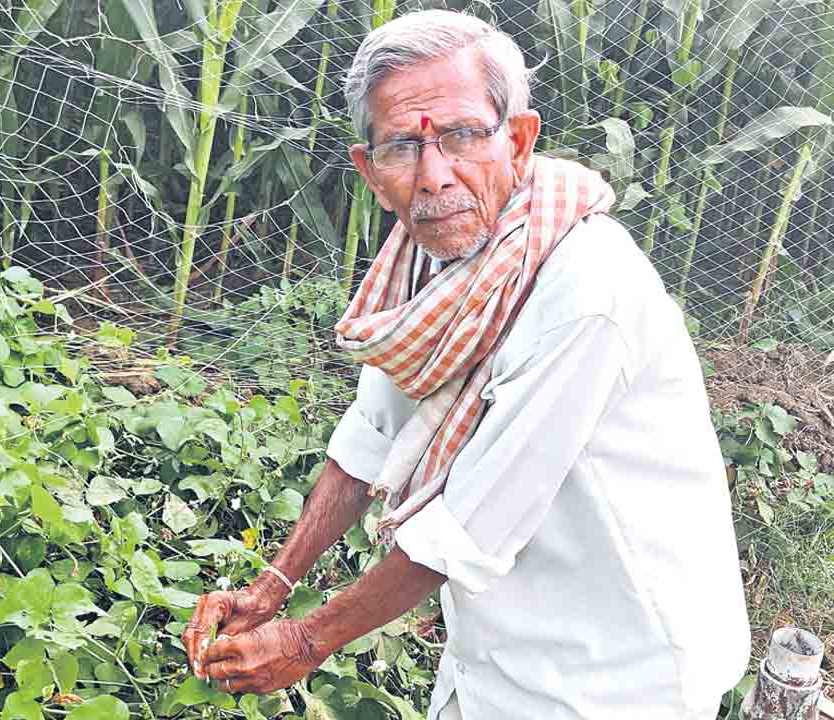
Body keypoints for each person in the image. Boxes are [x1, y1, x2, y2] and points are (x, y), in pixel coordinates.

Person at [181, 10, 750, 720]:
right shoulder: (432, 257)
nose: (433, 175)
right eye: (401, 148)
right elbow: (370, 435)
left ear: (518, 140)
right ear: (369, 172)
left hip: (617, 668)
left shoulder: (587, 290)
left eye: (461, 136)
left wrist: (302, 641)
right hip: (498, 646)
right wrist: (272, 584)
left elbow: (468, 528)